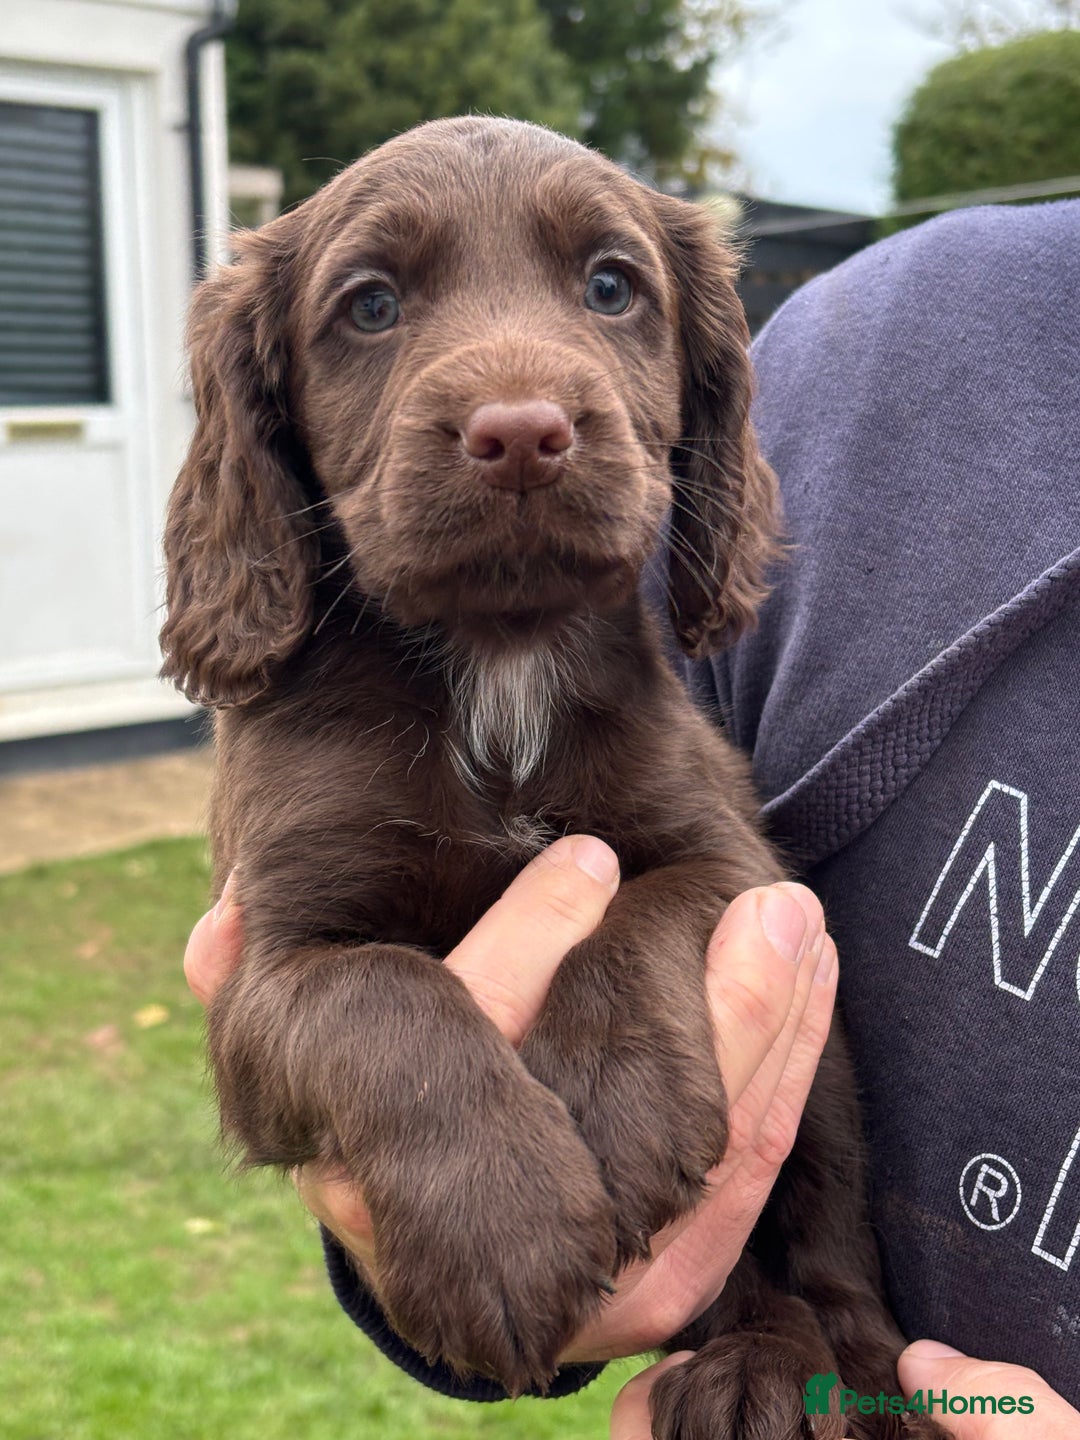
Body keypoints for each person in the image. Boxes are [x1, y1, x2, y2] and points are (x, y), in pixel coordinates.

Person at [185, 199, 1080, 1436]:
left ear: (691, 384)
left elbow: (731, 889)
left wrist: (626, 986)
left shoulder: (647, 695)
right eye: (371, 306)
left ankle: (806, 1319)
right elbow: (273, 985)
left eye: (612, 291)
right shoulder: (897, 337)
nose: (519, 407)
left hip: (849, 1339)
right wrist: (428, 1126)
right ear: (268, 403)